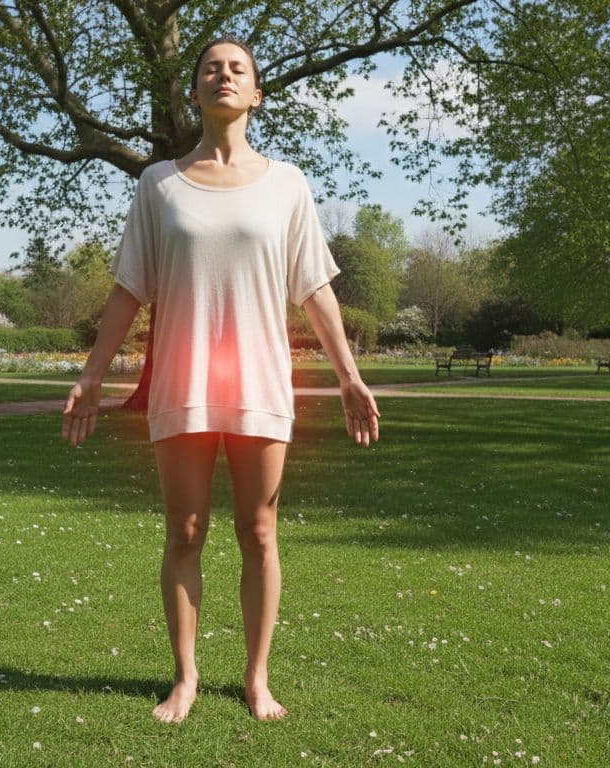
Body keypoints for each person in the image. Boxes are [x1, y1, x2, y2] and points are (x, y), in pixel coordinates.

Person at [61, 37, 380, 723]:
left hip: (263, 382)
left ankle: (258, 679)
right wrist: (91, 376)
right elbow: (127, 290)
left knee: (259, 530)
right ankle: (186, 678)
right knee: (185, 529)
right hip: (183, 380)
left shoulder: (288, 184)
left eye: (238, 68)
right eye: (212, 67)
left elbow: (317, 290)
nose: (224, 75)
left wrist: (349, 376)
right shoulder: (159, 185)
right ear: (197, 90)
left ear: (256, 93)